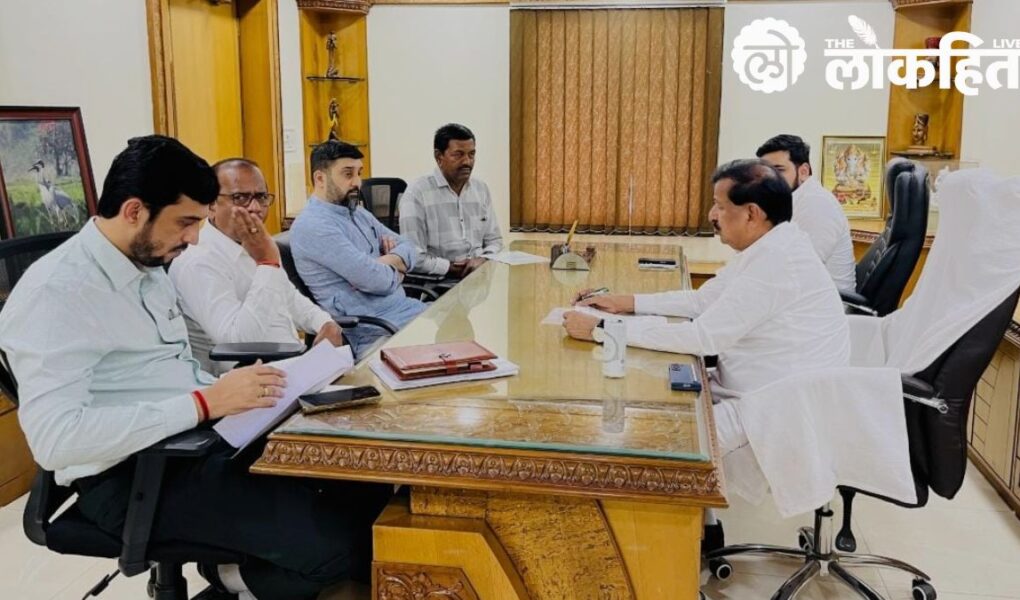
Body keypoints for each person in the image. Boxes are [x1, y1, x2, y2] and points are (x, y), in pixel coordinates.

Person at [0, 135, 390, 600]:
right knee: (341, 544)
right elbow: (56, 441)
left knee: (366, 490)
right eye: (185, 222)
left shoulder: (147, 267)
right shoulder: (57, 293)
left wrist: (238, 393)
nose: (193, 237)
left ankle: (237, 568)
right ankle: (231, 580)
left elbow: (170, 373)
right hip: (132, 477)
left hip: (196, 444)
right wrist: (205, 402)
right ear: (134, 211)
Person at [562, 159, 850, 454]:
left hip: (770, 411)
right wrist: (625, 302)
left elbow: (702, 338)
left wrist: (601, 329)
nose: (711, 215)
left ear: (751, 213)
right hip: (747, 389)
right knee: (646, 398)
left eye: (720, 206)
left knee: (647, 442)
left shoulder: (777, 261)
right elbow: (702, 300)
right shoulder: (772, 246)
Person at [169, 158, 343, 375]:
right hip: (248, 381)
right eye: (240, 198)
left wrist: (325, 323)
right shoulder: (198, 261)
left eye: (261, 197)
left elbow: (289, 297)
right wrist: (267, 263)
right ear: (211, 205)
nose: (255, 208)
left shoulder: (254, 244)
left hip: (293, 367)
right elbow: (237, 341)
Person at [290, 141, 426, 355]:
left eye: (359, 173)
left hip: (407, 314)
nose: (357, 182)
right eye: (348, 174)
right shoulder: (314, 225)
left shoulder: (357, 212)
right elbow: (377, 281)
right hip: (375, 332)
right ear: (320, 178)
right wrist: (398, 269)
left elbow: (410, 248)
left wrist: (384, 261)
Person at [399, 123, 503, 279]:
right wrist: (451, 268)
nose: (467, 161)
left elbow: (494, 240)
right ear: (439, 157)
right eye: (458, 155)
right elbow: (412, 255)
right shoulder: (417, 193)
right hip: (439, 282)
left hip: (479, 278)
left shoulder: (481, 189)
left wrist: (483, 259)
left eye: (471, 154)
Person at [756, 134, 856, 294]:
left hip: (824, 302)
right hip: (799, 294)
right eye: (764, 173)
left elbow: (800, 270)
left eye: (779, 170)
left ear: (803, 171)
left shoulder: (817, 204)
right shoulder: (791, 200)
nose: (769, 180)